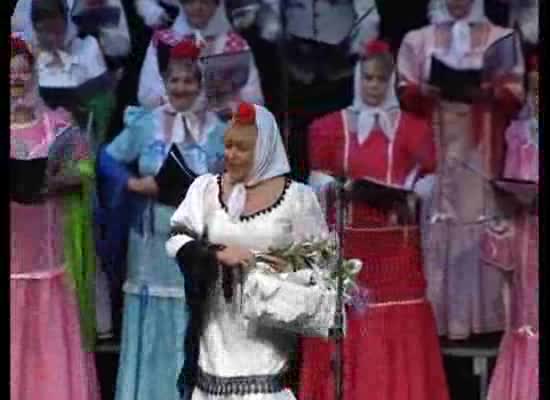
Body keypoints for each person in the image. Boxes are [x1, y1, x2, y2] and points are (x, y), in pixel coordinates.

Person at [298, 39, 449, 400]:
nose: (373, 86)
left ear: (391, 81)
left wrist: (413, 191)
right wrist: (336, 186)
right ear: (357, 79)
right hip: (349, 249)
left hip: (396, 253)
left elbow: (430, 178)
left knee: (392, 326)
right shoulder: (330, 127)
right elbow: (316, 179)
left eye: (381, 79)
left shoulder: (414, 130)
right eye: (368, 78)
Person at [166, 102, 328, 400]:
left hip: (269, 322)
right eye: (227, 145)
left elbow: (322, 264)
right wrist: (214, 254)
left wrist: (275, 269)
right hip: (217, 322)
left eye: (241, 148)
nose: (231, 154)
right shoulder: (205, 190)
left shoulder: (298, 199)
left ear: (264, 149)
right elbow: (177, 238)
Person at [98, 39, 226, 400]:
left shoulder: (218, 130)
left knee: (194, 313)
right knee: (154, 314)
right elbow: (107, 159)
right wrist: (133, 183)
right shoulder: (147, 123)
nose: (181, 88)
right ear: (165, 82)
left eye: (189, 81)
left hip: (197, 242)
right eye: (175, 81)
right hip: (151, 243)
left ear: (201, 85)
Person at [397, 0, 525, 339]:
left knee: (479, 222)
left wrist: (483, 90)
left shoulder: (501, 38)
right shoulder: (418, 39)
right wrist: (427, 89)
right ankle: (438, 323)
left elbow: (516, 93)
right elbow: (404, 92)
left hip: (481, 151)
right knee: (440, 223)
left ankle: (484, 323)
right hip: (436, 151)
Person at [10, 33, 101, 400]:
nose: (16, 80)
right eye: (9, 74)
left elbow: (85, 169)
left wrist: (55, 178)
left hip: (50, 260)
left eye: (22, 72)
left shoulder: (58, 125)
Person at [482, 52, 538, 400]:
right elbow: (511, 177)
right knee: (523, 315)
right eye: (534, 90)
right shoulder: (517, 131)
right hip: (526, 228)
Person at [138, 0, 264, 115]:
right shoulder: (163, 41)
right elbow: (146, 95)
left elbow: (255, 99)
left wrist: (226, 101)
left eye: (205, 2)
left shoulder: (236, 45)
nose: (198, 7)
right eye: (191, 1)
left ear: (217, 4)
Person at [30, 0, 117, 151]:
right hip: (38, 137)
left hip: (82, 137)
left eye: (56, 31)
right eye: (45, 31)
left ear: (65, 23)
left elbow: (105, 97)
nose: (52, 38)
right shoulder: (31, 58)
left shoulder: (87, 47)